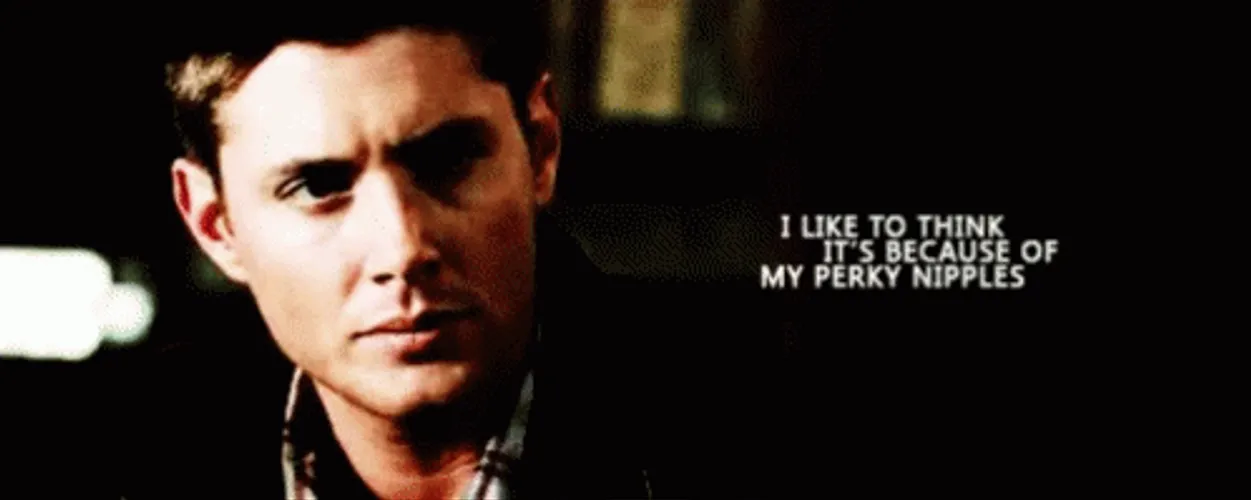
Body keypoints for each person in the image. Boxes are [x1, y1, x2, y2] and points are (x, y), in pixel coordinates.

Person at [102, 6, 681, 499]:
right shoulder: (121, 463)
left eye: (449, 160)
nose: (402, 250)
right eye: (316, 188)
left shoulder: (725, 435)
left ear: (540, 147)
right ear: (216, 225)